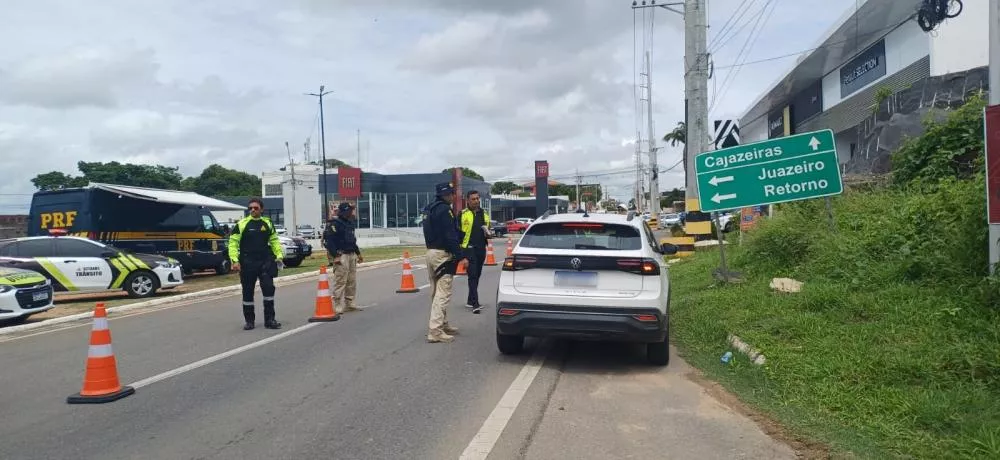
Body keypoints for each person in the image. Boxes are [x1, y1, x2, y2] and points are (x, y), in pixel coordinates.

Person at [228, 198, 285, 330]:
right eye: (250, 208)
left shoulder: (268, 222)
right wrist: (235, 260)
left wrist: (279, 256)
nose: (253, 210)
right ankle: (249, 321)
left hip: (265, 261)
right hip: (247, 262)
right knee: (247, 292)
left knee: (269, 289)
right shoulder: (242, 224)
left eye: (256, 208)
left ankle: (270, 320)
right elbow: (233, 243)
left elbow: (274, 240)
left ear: (262, 209)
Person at [422, 182, 464, 343]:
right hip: (442, 254)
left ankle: (442, 323)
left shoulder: (429, 208)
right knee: (443, 292)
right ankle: (435, 330)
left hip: (431, 252)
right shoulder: (445, 210)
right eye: (452, 193)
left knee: (435, 291)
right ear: (447, 195)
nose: (453, 196)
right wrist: (460, 254)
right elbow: (450, 234)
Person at [325, 202, 363, 314]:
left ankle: (350, 303)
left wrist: (358, 253)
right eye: (350, 210)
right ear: (344, 211)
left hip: (351, 254)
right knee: (341, 280)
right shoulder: (334, 224)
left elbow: (352, 240)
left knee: (352, 280)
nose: (351, 212)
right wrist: (335, 255)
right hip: (341, 255)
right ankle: (337, 303)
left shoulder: (350, 223)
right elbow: (329, 242)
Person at [458, 190, 492, 314]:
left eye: (477, 198)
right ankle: (475, 304)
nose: (476, 201)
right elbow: (458, 234)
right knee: (472, 276)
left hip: (481, 248)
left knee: (477, 274)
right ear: (467, 200)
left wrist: (488, 234)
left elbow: (488, 232)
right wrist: (461, 254)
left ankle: (469, 300)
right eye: (473, 199)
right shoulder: (462, 214)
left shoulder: (484, 214)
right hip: (468, 248)